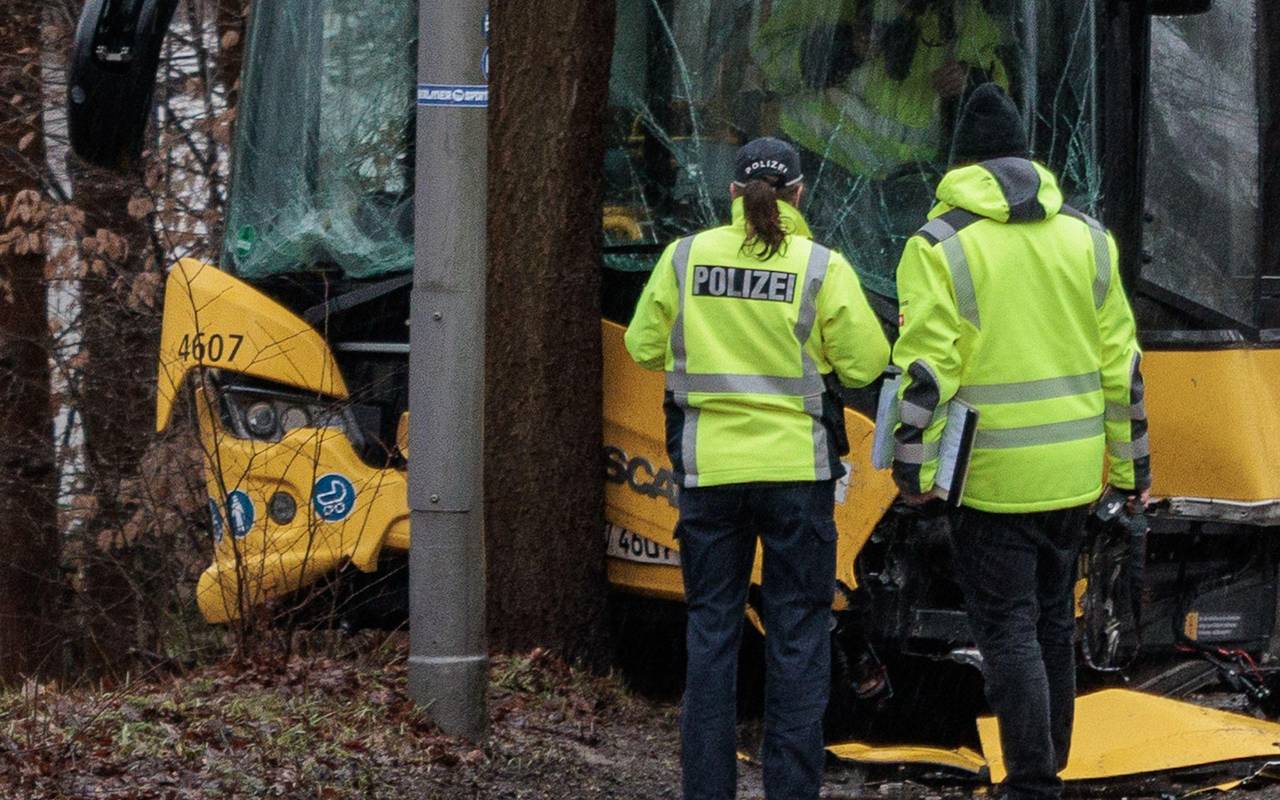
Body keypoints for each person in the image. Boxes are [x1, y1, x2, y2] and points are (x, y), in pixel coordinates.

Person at [890, 84, 1151, 800]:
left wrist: (913, 476)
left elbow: (924, 377)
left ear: (961, 161)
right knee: (1047, 623)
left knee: (1006, 629)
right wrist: (1132, 475)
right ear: (1026, 156)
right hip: (1073, 473)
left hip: (993, 475)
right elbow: (1122, 371)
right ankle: (1051, 765)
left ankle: (1033, 784)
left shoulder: (938, 245)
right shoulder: (1089, 238)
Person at [625, 137, 890, 800]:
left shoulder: (685, 258)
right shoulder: (822, 267)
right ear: (799, 194)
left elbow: (642, 344)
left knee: (711, 636)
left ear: (733, 194)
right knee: (797, 638)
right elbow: (863, 365)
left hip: (708, 476)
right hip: (797, 480)